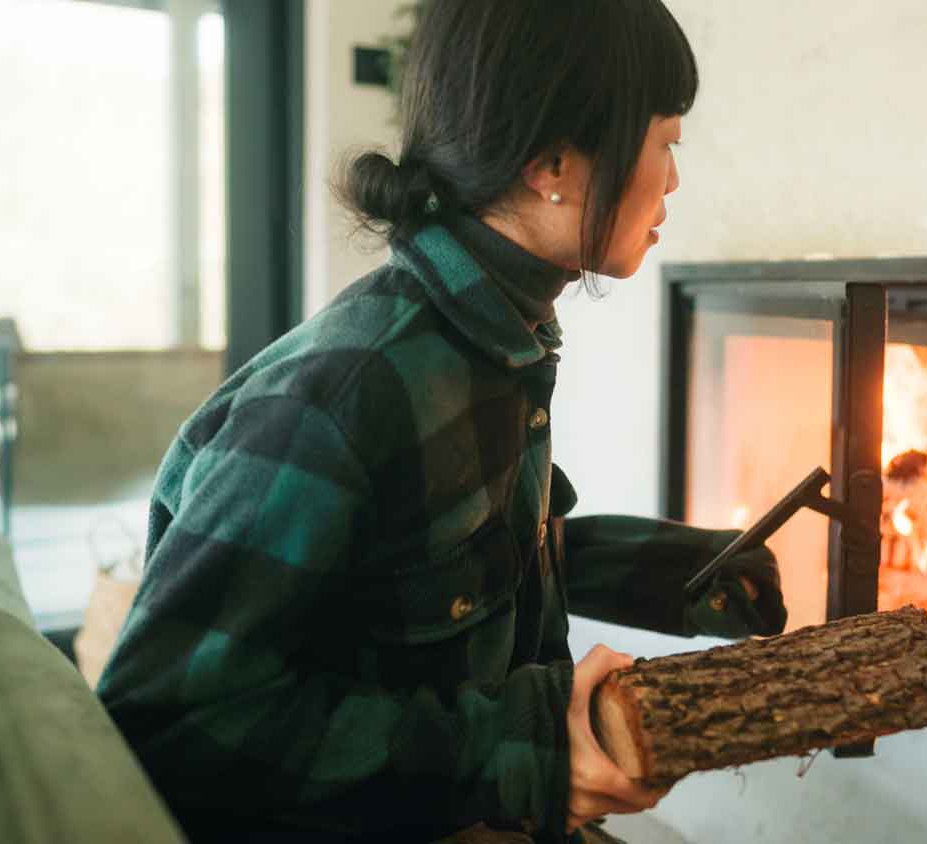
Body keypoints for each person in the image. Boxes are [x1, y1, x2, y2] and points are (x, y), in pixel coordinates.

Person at [96, 1, 786, 842]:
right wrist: (521, 747)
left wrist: (694, 569)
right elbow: (168, 724)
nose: (673, 180)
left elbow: (454, 565)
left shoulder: (497, 339)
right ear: (554, 160)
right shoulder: (343, 396)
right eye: (665, 141)